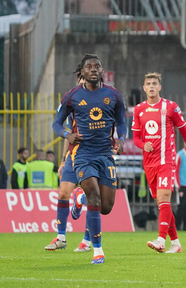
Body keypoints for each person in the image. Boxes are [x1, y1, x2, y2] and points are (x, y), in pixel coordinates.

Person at [52, 54, 127, 264]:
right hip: (83, 154)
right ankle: (97, 251)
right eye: (89, 67)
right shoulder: (72, 96)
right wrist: (68, 134)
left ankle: (79, 198)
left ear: (102, 71)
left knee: (106, 207)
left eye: (97, 66)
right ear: (82, 72)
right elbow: (56, 123)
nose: (93, 69)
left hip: (106, 155)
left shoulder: (113, 95)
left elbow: (121, 122)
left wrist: (120, 139)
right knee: (94, 195)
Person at [132, 72, 186, 254]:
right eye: (148, 83)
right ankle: (176, 243)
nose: (152, 86)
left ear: (160, 87)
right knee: (162, 205)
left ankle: (161, 240)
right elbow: (136, 137)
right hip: (149, 164)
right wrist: (142, 144)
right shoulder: (139, 109)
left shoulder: (171, 107)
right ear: (144, 87)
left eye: (155, 83)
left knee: (164, 199)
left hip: (166, 161)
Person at [45, 69, 92, 252]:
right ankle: (61, 237)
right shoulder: (72, 101)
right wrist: (64, 159)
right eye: (80, 78)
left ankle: (87, 240)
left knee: (93, 197)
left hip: (94, 156)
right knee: (63, 193)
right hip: (74, 155)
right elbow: (68, 134)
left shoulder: (102, 101)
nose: (82, 82)